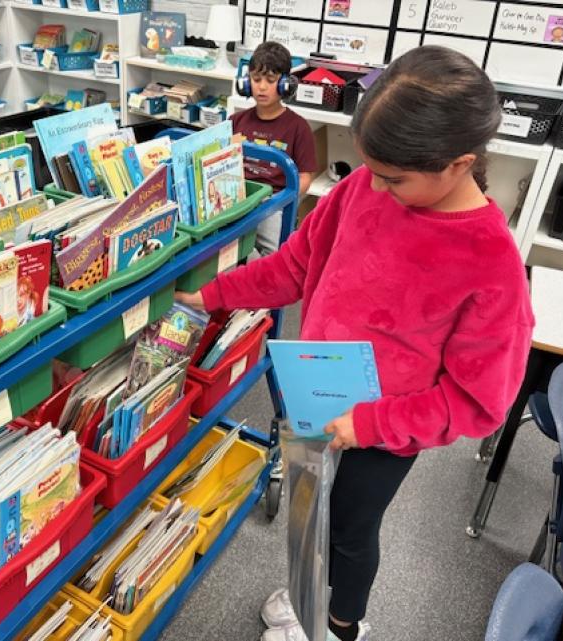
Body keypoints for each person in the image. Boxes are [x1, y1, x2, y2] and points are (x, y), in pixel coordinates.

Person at [177, 45, 535, 641]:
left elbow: (478, 402)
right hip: (314, 385)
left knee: (349, 527)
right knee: (304, 509)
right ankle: (305, 598)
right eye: (373, 170)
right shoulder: (362, 188)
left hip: (388, 426)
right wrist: (215, 294)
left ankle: (340, 626)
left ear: (458, 164)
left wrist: (368, 426)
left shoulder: (492, 265)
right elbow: (294, 266)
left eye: (395, 178)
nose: (379, 187)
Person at [232, 41, 317, 255]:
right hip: (238, 200)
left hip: (274, 204)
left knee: (271, 255)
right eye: (256, 79)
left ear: (286, 84)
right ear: (246, 81)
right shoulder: (235, 121)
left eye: (270, 81)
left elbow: (305, 177)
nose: (261, 87)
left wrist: (283, 201)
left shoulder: (298, 127)